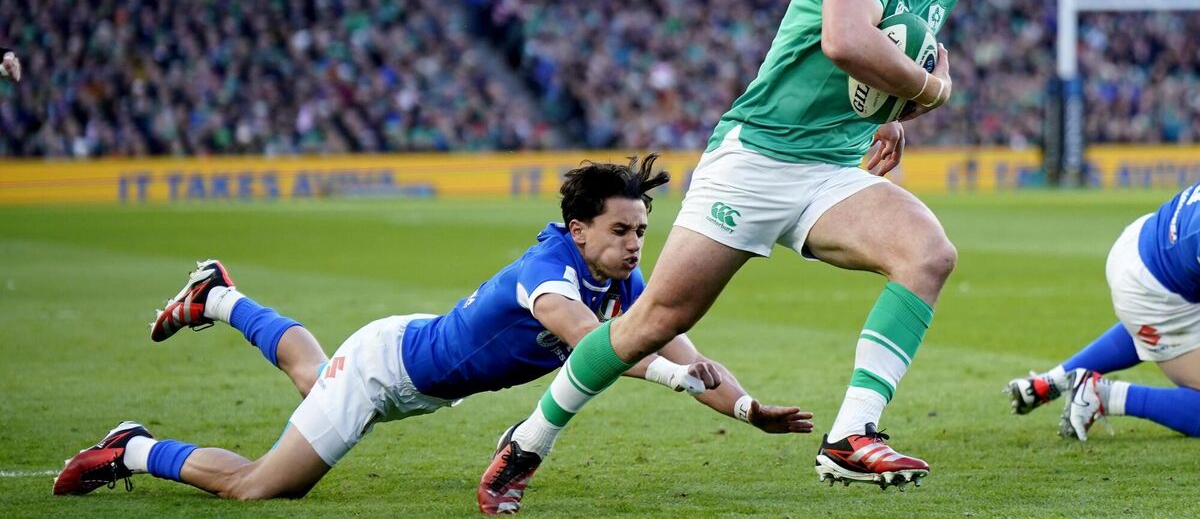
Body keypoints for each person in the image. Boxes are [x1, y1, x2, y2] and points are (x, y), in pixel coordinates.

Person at [478, 0, 999, 511]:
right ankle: (529, 441)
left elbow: (885, 62)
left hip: (829, 169)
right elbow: (846, 40)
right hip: (755, 161)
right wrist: (930, 91)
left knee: (928, 255)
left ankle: (851, 436)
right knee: (654, 322)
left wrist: (895, 114)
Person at [53, 155, 812, 502]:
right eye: (622, 229)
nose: (637, 243)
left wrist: (746, 409)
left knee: (316, 376)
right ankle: (132, 448)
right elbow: (597, 346)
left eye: (643, 228)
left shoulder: (619, 278)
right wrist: (676, 376)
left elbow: (688, 350)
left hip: (412, 358)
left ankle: (217, 298)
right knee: (262, 487)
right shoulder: (547, 274)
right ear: (577, 228)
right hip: (392, 368)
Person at [1006, 181, 1200, 441]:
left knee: (1156, 330)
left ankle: (1049, 383)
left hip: (1146, 243)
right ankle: (1100, 394)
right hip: (1152, 288)